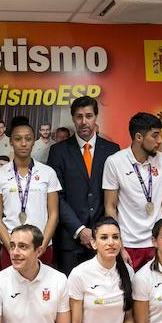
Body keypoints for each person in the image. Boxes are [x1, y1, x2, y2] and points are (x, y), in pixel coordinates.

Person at [46, 96, 119, 275]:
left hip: (103, 239)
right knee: (71, 297)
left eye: (89, 116)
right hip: (70, 240)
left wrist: (99, 231)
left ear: (96, 117)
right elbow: (57, 197)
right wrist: (80, 230)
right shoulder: (58, 151)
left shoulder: (112, 150)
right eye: (79, 117)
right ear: (73, 119)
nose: (84, 121)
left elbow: (114, 195)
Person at [103, 112, 162, 269]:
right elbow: (110, 206)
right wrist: (118, 245)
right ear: (138, 137)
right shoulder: (115, 162)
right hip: (128, 244)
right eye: (155, 135)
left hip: (157, 243)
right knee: (128, 292)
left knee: (158, 292)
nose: (160, 141)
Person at [0, 116, 61, 268]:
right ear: (11, 142)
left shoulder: (48, 172)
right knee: (12, 291)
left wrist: (43, 245)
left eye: (28, 139)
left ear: (34, 141)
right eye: (18, 139)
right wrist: (11, 247)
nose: (23, 143)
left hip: (41, 246)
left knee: (41, 291)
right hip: (11, 248)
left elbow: (53, 214)